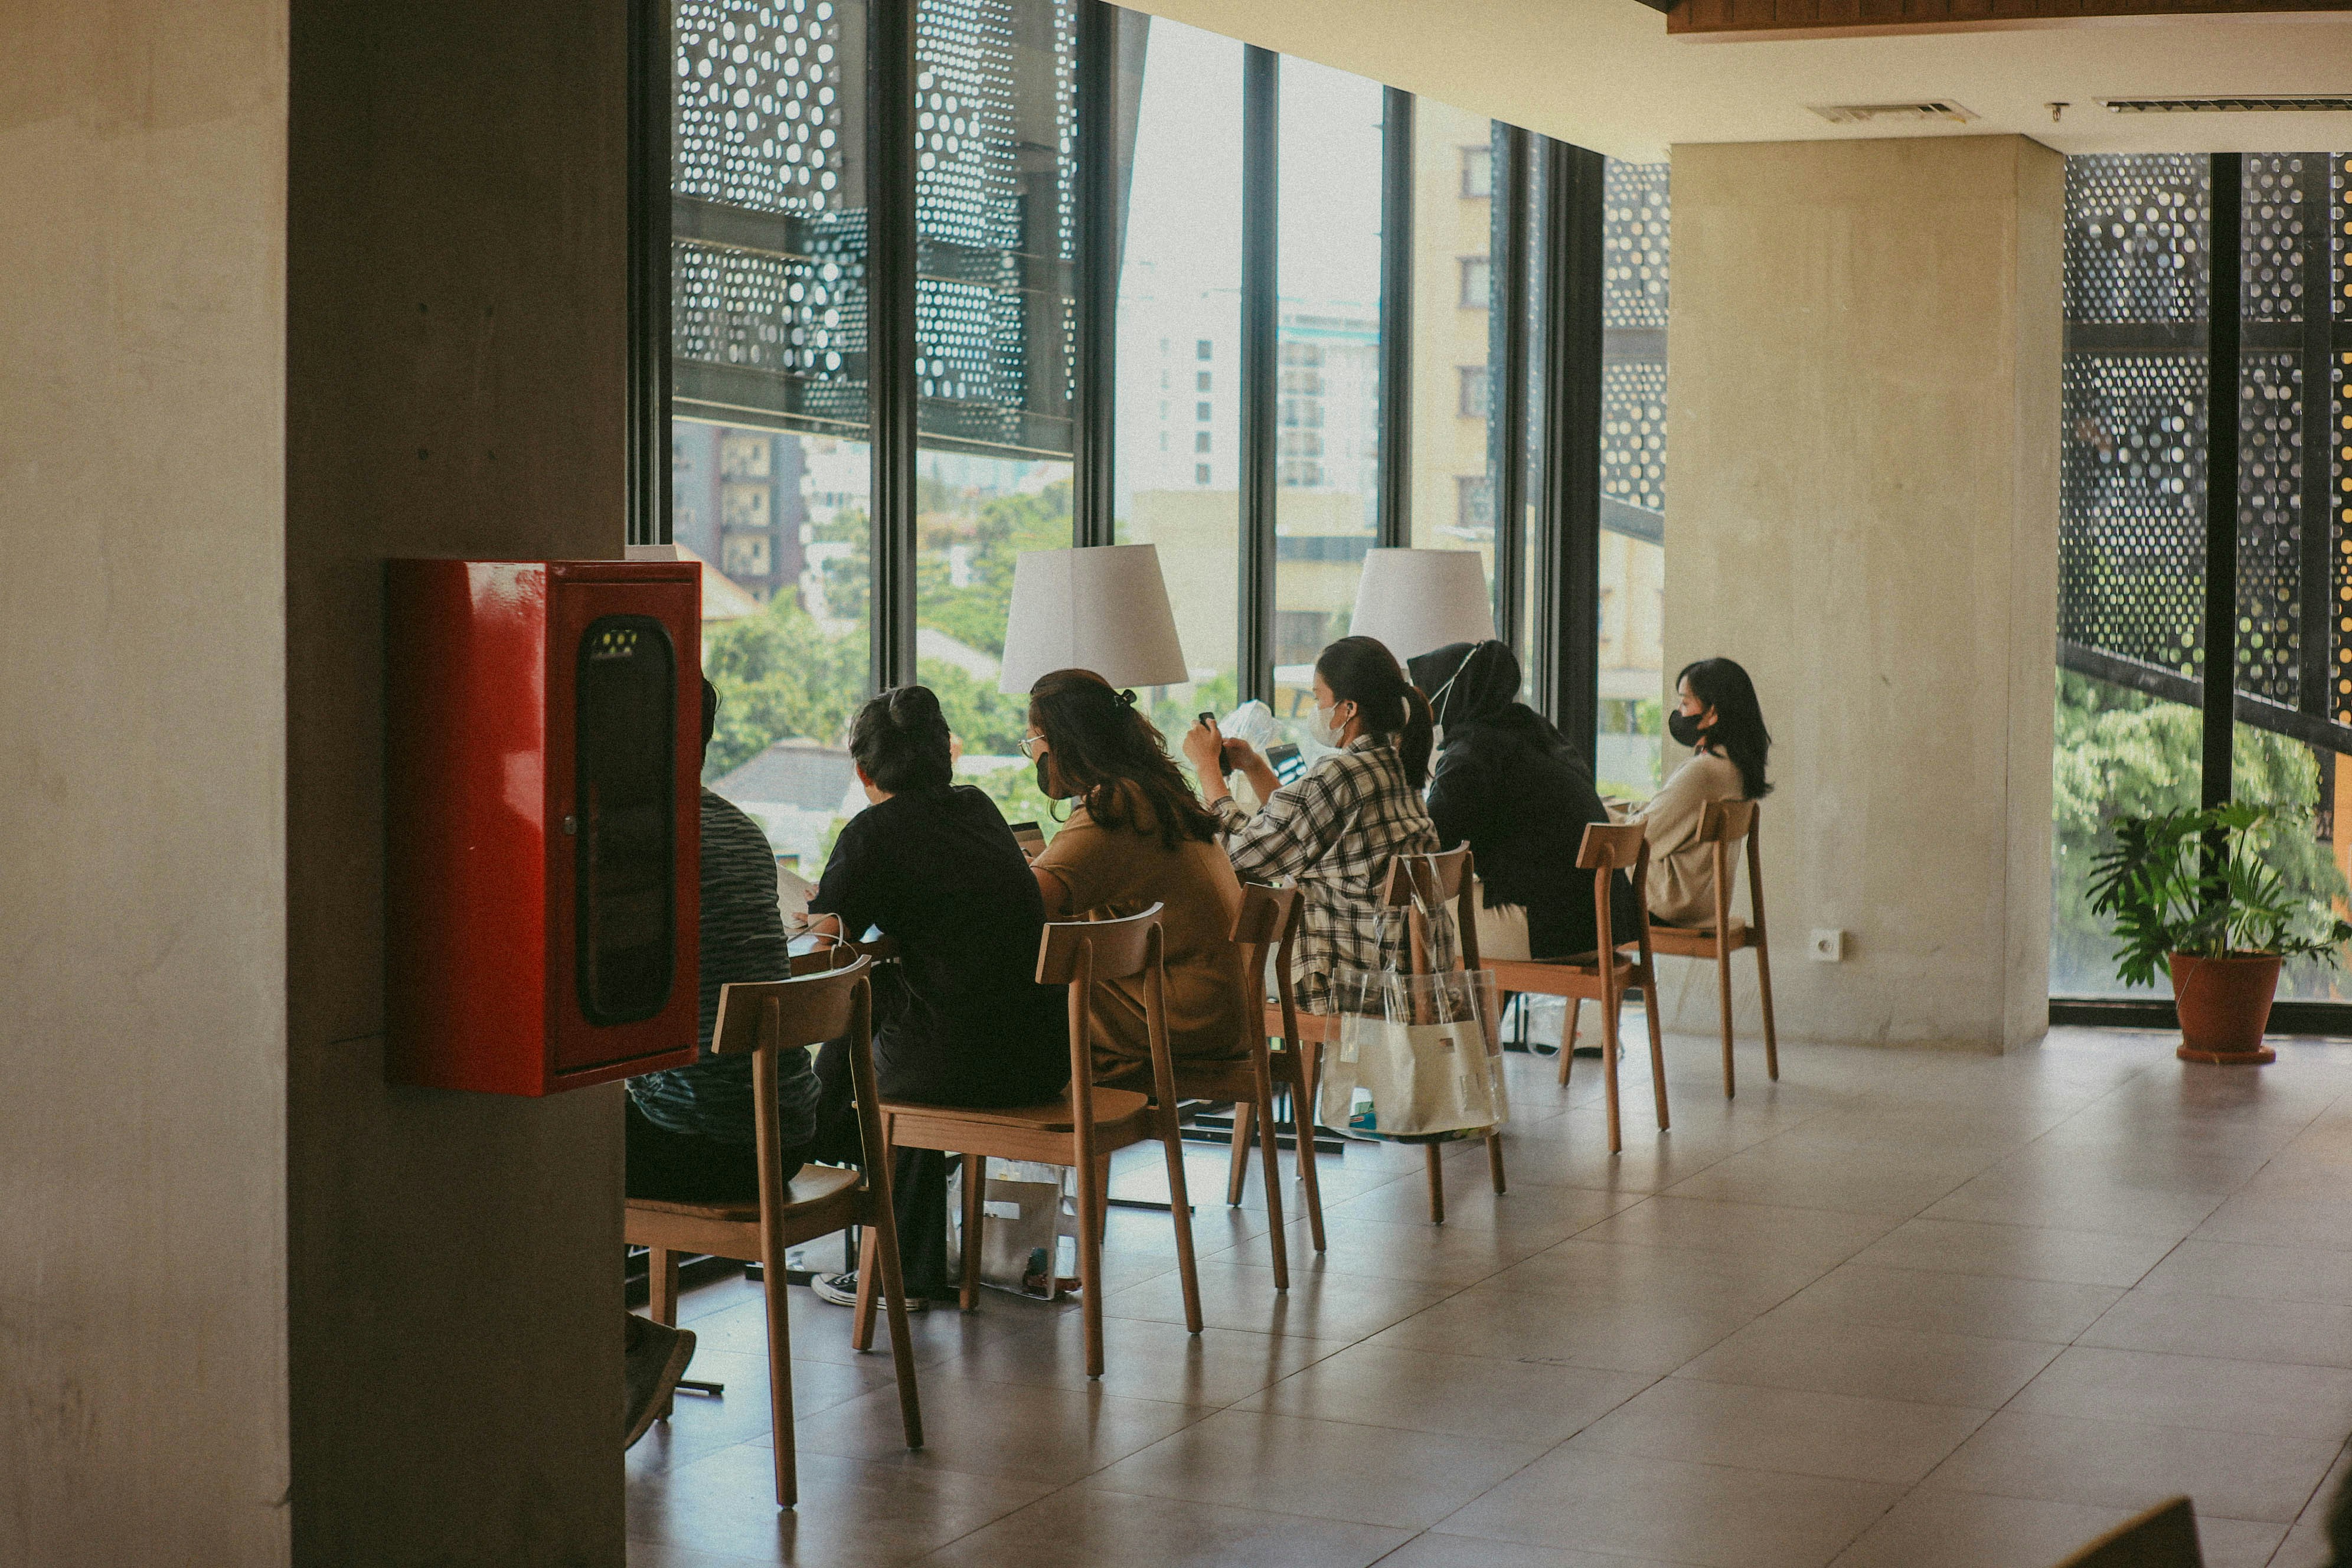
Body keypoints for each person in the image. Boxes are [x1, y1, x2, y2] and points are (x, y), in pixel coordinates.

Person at [800, 684, 1071, 1306]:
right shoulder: (978, 809)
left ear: (864, 770)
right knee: (903, 1006)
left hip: (958, 1069)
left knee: (875, 1015)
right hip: (1040, 1060)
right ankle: (903, 1256)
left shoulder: (873, 832)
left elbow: (824, 947)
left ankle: (813, 1153)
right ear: (944, 757)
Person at [621, 677, 821, 1446]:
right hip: (786, 1135)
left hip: (710, 1150)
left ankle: (624, 1344)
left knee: (523, 1159)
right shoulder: (737, 828)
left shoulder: (638, 839)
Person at [1182, 636, 1439, 1013]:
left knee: (1203, 967)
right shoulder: (1396, 767)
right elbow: (1297, 829)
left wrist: (1207, 767)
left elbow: (1242, 853)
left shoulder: (1343, 774)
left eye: (1319, 698)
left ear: (1348, 708)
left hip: (1348, 977)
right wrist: (1253, 765)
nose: (1315, 708)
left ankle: (1243, 1068)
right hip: (1404, 968)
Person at [1022, 668, 1250, 1090]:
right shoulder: (1157, 791)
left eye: (1034, 743)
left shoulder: (1116, 804)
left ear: (1063, 744)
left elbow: (1023, 905)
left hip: (1181, 1021)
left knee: (1012, 984)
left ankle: (996, 1125)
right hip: (1219, 1011)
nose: (1034, 757)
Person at [1406, 639, 1638, 961]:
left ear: (1453, 691)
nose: (1419, 708)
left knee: (1410, 921)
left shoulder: (1473, 751)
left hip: (1554, 930)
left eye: (1422, 692)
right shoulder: (1534, 732)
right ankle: (1485, 1010)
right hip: (1603, 923)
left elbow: (1432, 844)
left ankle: (1452, 1012)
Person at [1629, 656, 1772, 927]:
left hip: (1669, 904)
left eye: (1685, 703)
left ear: (1712, 713)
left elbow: (1639, 836)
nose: (1678, 712)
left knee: (1591, 857)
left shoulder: (1703, 772)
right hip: (1706, 904)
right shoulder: (1737, 767)